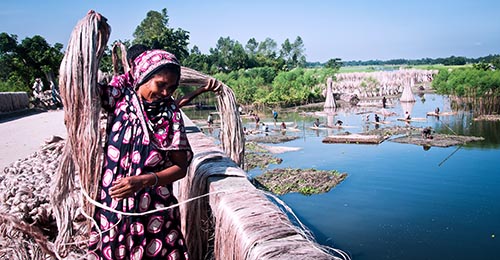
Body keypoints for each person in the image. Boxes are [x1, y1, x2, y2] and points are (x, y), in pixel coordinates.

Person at [89, 49, 220, 259]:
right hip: (114, 202)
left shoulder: (170, 114)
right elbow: (82, 88)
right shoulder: (120, 98)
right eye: (161, 85)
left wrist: (144, 181)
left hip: (154, 208)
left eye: (172, 88)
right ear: (142, 76)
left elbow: (180, 167)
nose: (167, 93)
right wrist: (92, 38)